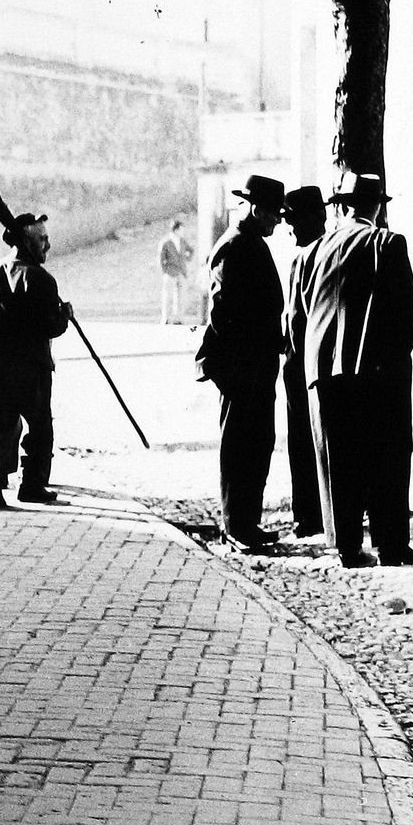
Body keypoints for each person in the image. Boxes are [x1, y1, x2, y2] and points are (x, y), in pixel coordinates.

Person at [290, 172, 413, 568]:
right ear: (377, 206)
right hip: (375, 370)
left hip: (322, 371)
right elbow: (406, 311)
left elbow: (299, 318)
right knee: (387, 456)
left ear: (342, 207)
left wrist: (313, 362)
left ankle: (347, 547)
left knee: (338, 459)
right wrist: (393, 360)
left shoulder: (313, 251)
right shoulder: (387, 242)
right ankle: (391, 544)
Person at [196, 174, 286, 552]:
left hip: (257, 366)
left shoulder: (250, 242)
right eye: (273, 213)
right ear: (253, 208)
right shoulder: (233, 246)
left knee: (259, 443)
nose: (278, 220)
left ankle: (248, 522)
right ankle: (236, 526)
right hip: (241, 369)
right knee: (239, 447)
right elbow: (223, 312)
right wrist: (240, 364)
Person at [0, 212, 70, 509]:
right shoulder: (40, 278)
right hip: (28, 365)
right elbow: (51, 326)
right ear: (26, 242)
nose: (47, 245)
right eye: (42, 239)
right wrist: (65, 315)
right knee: (39, 426)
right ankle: (31, 486)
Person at [281, 186, 328, 538]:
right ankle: (312, 513)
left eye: (294, 221)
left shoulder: (315, 256)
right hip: (304, 364)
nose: (290, 229)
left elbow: (304, 318)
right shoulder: (309, 254)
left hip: (307, 365)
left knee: (308, 441)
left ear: (314, 219)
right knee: (307, 441)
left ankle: (312, 515)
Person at [158, 219, 190, 324]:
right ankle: (166, 317)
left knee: (180, 296)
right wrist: (165, 271)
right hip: (170, 272)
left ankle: (178, 318)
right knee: (167, 296)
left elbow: (190, 250)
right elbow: (161, 258)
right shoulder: (166, 242)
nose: (183, 232)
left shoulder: (182, 241)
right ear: (176, 230)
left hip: (181, 272)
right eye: (181, 229)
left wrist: (186, 259)